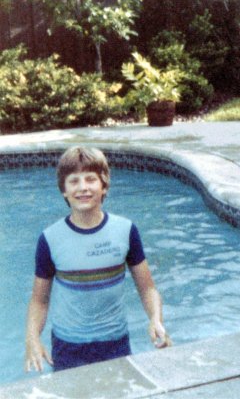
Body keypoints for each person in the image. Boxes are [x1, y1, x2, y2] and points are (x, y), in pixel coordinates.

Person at [25, 146, 171, 373]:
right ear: (64, 190)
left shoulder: (125, 231)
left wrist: (155, 319)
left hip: (115, 343)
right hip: (68, 346)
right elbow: (40, 300)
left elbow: (147, 288)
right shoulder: (50, 239)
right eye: (74, 181)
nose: (83, 187)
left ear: (104, 186)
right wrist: (32, 338)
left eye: (91, 179)